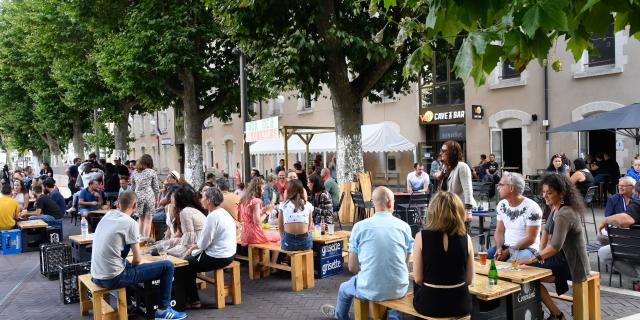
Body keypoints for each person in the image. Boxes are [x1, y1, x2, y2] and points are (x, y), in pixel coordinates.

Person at [90, 190, 186, 320]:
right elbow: (137, 259)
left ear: (118, 203)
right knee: (167, 266)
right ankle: (163, 310)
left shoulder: (108, 216)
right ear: (135, 205)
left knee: (127, 264)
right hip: (112, 279)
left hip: (96, 275)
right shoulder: (130, 223)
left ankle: (132, 303)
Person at [321, 187, 413, 320]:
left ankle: (340, 316)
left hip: (368, 287)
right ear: (389, 202)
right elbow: (404, 263)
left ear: (373, 203)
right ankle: (393, 316)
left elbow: (352, 267)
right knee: (394, 291)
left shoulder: (360, 227)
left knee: (343, 288)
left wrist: (368, 271)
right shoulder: (404, 227)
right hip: (399, 287)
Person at [518, 173, 589, 320]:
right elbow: (546, 231)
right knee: (527, 273)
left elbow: (556, 245)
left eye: (549, 193)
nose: (545, 196)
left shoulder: (565, 212)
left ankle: (556, 314)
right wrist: (540, 253)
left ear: (561, 193)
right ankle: (556, 313)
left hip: (574, 264)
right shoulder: (557, 208)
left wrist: (533, 259)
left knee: (527, 274)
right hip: (563, 259)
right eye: (543, 192)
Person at [412, 192, 474, 318]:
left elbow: (418, 278)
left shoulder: (421, 237)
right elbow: (469, 280)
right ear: (459, 212)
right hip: (460, 304)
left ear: (432, 212)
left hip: (430, 305)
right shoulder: (466, 238)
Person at [181, 187, 236, 309]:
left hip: (219, 257)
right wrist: (196, 247)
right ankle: (191, 296)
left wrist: (192, 249)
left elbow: (203, 243)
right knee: (190, 260)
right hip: (229, 254)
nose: (201, 200)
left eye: (203, 197)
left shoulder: (213, 216)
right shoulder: (222, 212)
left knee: (185, 264)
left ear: (209, 200)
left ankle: (194, 300)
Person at [489, 172, 542, 262]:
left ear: (511, 188)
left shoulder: (532, 207)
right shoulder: (502, 205)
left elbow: (530, 239)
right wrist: (499, 248)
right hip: (506, 246)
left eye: (501, 185)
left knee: (509, 265)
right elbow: (499, 230)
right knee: (486, 259)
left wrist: (509, 251)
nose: (498, 188)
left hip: (528, 249)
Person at [598, 180, 640, 277]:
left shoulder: (637, 204)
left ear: (635, 192)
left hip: (634, 245)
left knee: (603, 252)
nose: (621, 187)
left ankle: (638, 276)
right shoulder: (614, 198)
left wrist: (606, 220)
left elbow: (626, 220)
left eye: (624, 186)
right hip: (630, 241)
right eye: (619, 185)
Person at [159, 187, 207, 258]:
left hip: (197, 245)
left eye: (173, 198)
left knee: (163, 253)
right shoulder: (189, 210)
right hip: (199, 241)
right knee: (163, 245)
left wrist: (169, 249)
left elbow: (189, 241)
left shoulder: (185, 212)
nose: (171, 200)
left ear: (179, 200)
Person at [438, 141, 475, 223]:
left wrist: (468, 211)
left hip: (458, 210)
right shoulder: (445, 167)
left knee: (459, 235)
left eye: (444, 151)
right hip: (447, 210)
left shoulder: (462, 166)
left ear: (452, 152)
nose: (441, 153)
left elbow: (468, 190)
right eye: (441, 150)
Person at [239, 177, 281, 246]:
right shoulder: (256, 201)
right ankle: (273, 257)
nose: (263, 191)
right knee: (280, 235)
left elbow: (249, 216)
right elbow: (257, 222)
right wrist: (267, 212)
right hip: (255, 234)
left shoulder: (244, 199)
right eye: (262, 188)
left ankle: (269, 256)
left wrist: (263, 210)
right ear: (257, 189)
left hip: (244, 234)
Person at [278, 180, 314, 251]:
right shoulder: (308, 205)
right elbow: (309, 226)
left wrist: (283, 239)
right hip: (305, 244)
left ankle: (286, 260)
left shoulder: (283, 205)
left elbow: (280, 226)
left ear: (288, 191)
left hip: (288, 243)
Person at [131, 154, 160, 238]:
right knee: (148, 219)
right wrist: (157, 199)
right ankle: (145, 240)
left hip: (138, 196)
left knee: (140, 219)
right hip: (149, 196)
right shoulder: (152, 172)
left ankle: (139, 239)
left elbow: (132, 188)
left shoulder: (134, 172)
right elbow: (156, 188)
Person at [217, 177, 241, 242]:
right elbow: (241, 218)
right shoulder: (238, 198)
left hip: (222, 234)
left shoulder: (215, 200)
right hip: (237, 232)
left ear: (218, 187)